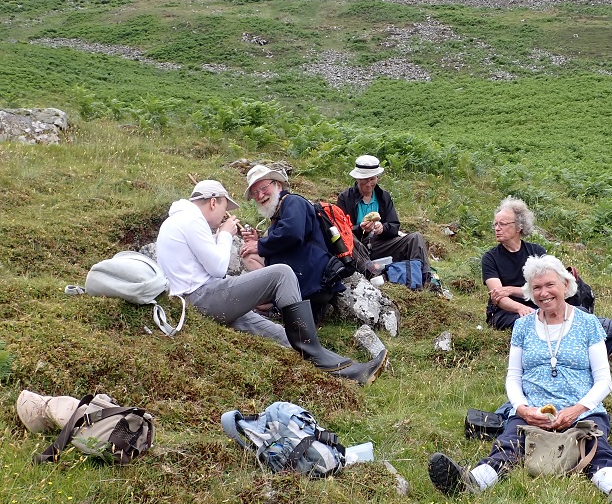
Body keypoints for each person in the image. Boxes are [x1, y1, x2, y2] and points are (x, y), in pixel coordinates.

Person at [428, 255, 612, 504]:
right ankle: (471, 482)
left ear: (565, 285)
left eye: (549, 285)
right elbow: (514, 377)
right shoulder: (523, 327)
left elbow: (604, 381)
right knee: (509, 444)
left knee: (594, 444)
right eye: (536, 287)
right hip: (533, 409)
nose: (544, 293)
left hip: (582, 409)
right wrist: (522, 409)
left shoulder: (588, 324)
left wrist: (576, 410)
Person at [156, 179, 386, 385]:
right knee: (282, 273)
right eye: (225, 211)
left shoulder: (177, 221)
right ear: (213, 202)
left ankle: (355, 372)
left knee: (283, 335)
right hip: (203, 298)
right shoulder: (192, 219)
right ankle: (315, 350)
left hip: (197, 301)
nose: (224, 219)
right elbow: (217, 270)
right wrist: (225, 234)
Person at [482, 197, 612, 363]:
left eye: (503, 224)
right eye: (495, 224)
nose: (497, 228)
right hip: (507, 312)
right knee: (544, 322)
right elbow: (498, 296)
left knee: (570, 316)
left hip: (540, 302)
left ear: (519, 226)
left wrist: (513, 290)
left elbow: (549, 286)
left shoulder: (536, 250)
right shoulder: (490, 258)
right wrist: (520, 308)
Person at [241, 164, 346, 318]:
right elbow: (286, 242)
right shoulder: (278, 212)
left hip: (314, 283)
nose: (260, 195)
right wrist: (258, 241)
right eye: (255, 192)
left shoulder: (292, 202)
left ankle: (278, 304)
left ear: (277, 184)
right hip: (305, 281)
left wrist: (259, 245)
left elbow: (292, 234)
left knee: (251, 291)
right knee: (248, 256)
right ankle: (277, 303)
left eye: (263, 188)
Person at [335, 155, 436, 289]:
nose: (369, 183)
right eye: (365, 179)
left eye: (372, 179)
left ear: (377, 178)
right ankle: (371, 272)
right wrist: (360, 228)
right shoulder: (345, 198)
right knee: (344, 236)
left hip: (379, 244)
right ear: (357, 178)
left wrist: (383, 229)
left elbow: (394, 225)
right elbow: (342, 229)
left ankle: (426, 280)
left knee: (415, 238)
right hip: (358, 246)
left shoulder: (383, 196)